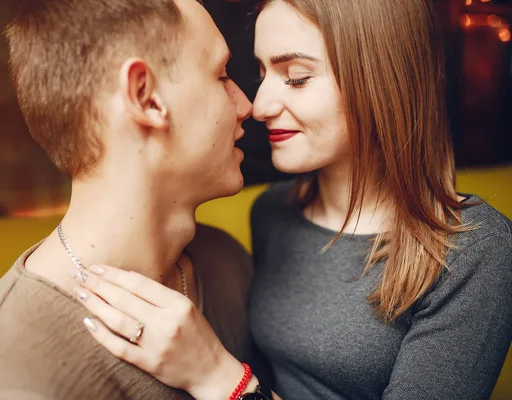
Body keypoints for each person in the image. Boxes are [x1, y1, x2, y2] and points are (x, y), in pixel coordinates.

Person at [81, 0, 512, 399]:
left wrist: (214, 375)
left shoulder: (474, 249)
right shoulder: (273, 212)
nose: (261, 104)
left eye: (297, 78)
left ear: (380, 80)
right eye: (262, 74)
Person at [0, 0, 275, 399]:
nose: (247, 106)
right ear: (145, 96)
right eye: (221, 75)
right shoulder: (2, 373)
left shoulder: (227, 266)